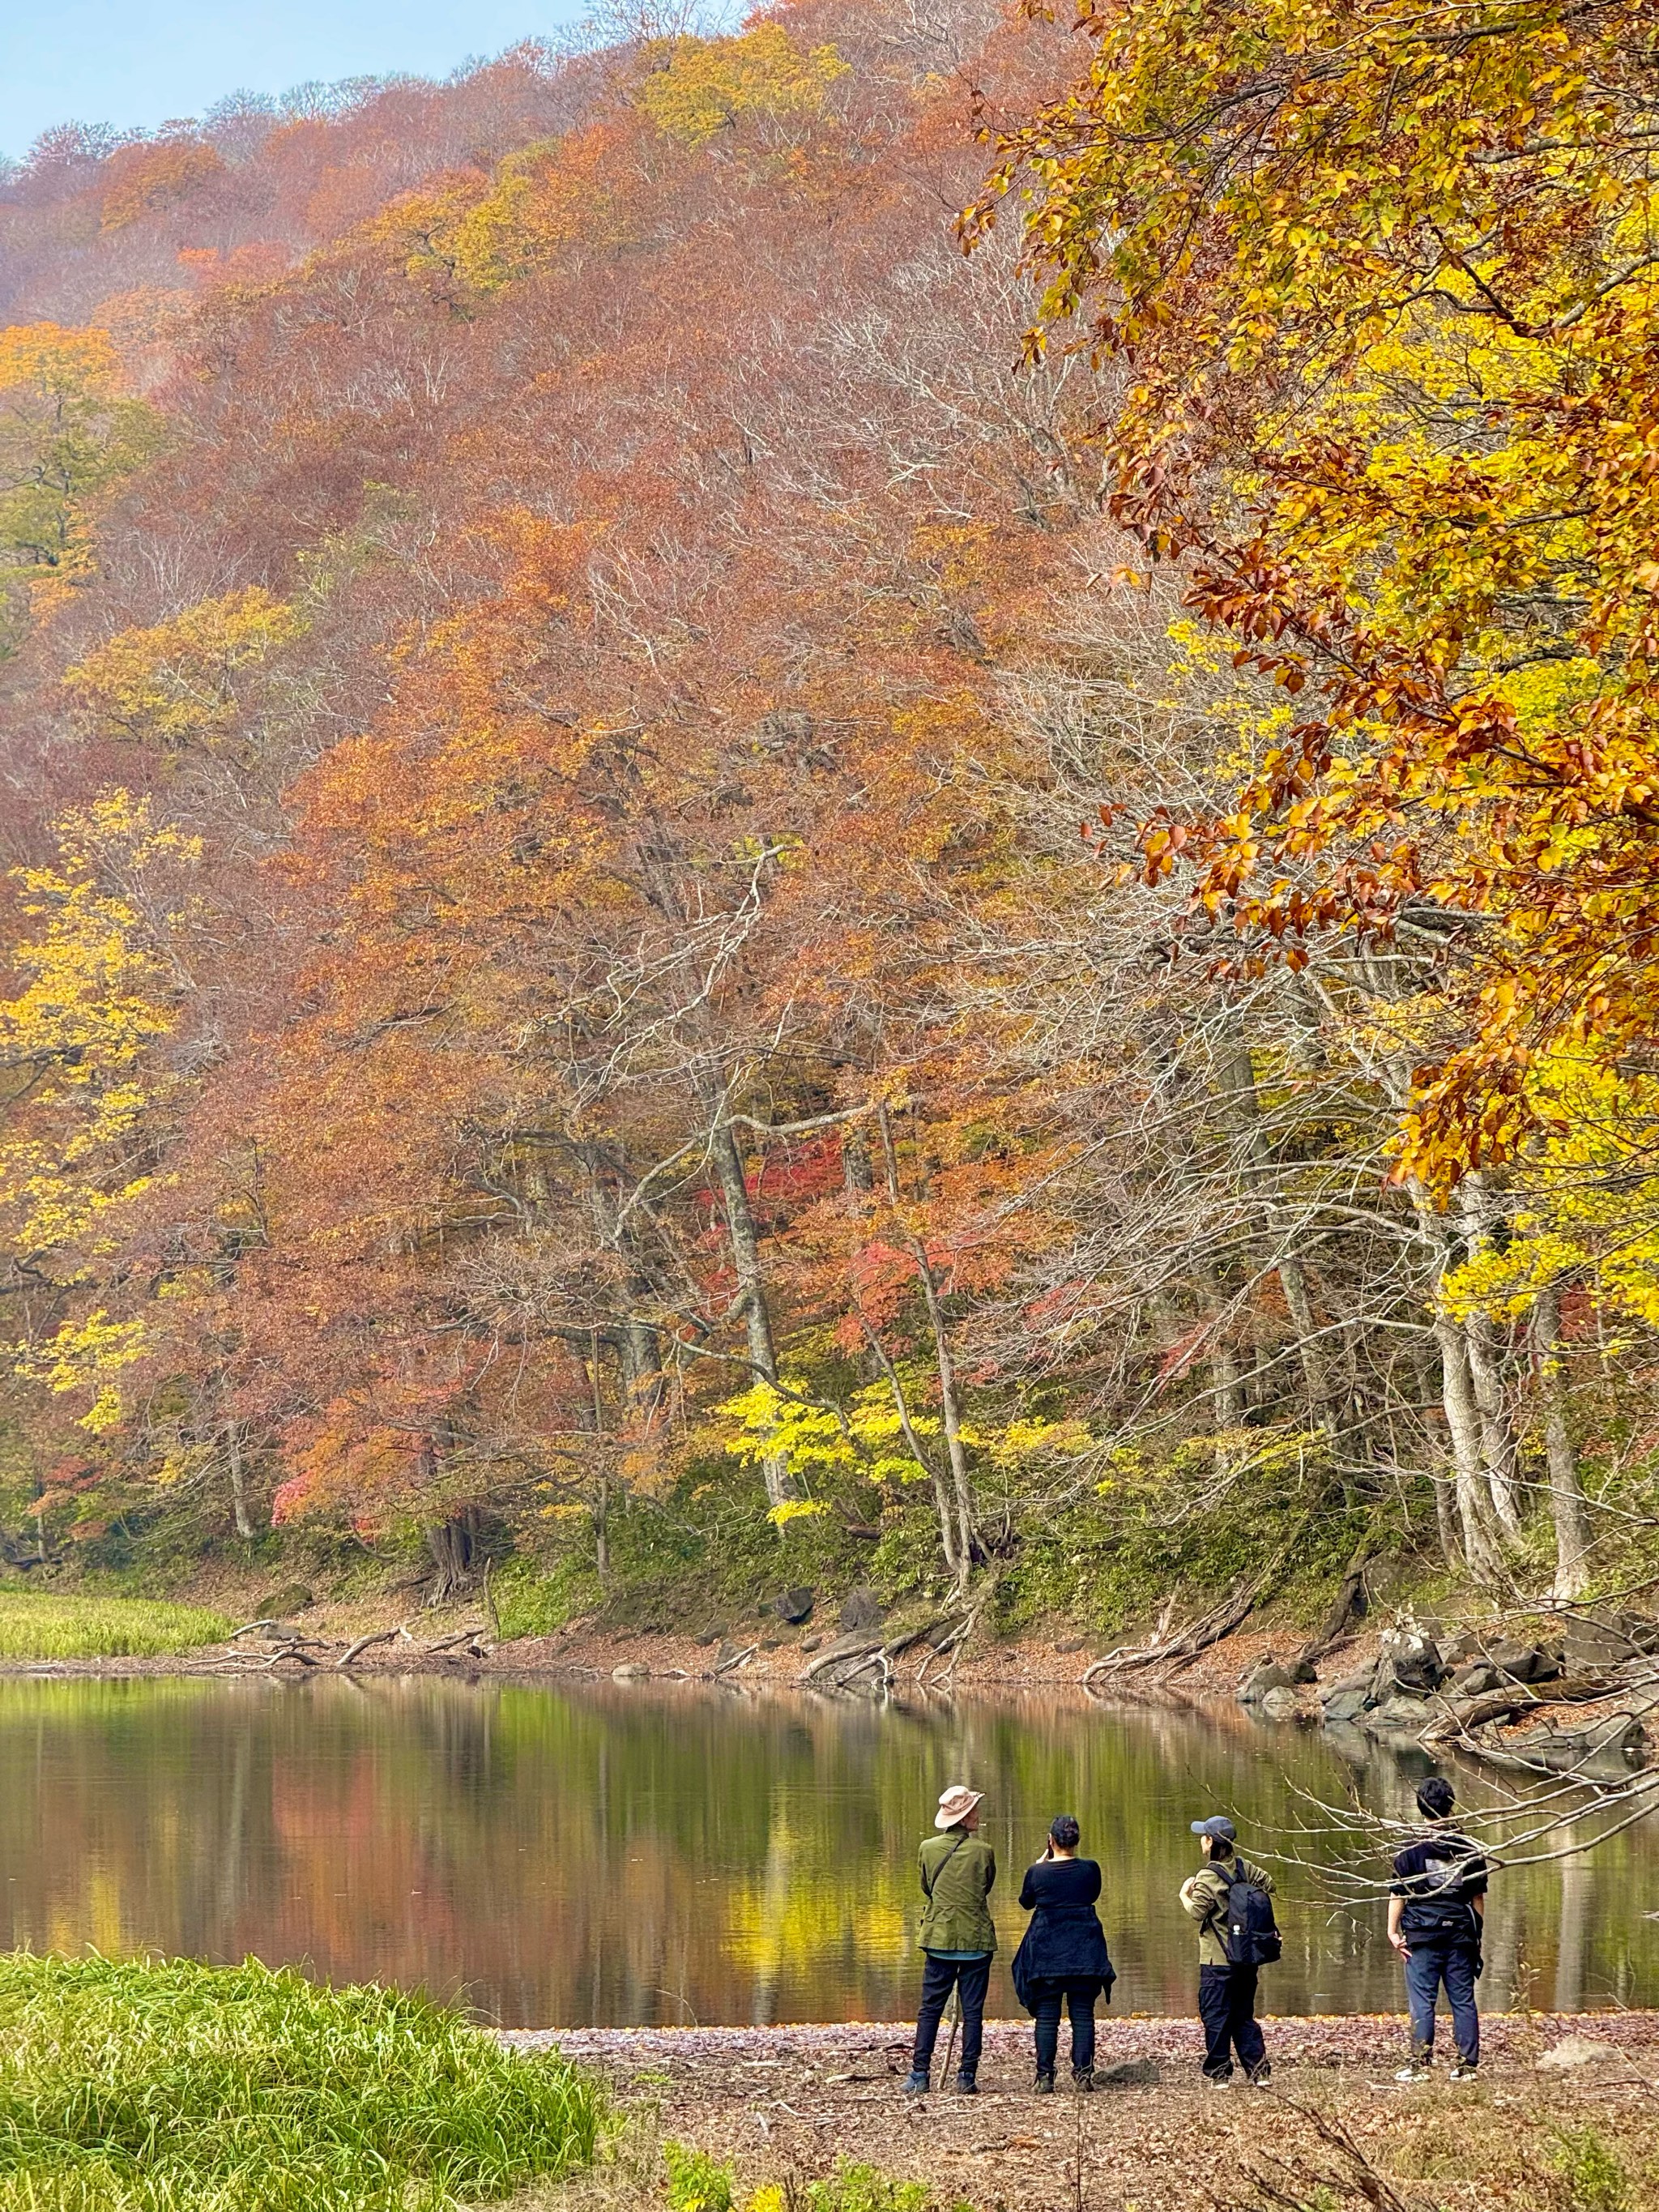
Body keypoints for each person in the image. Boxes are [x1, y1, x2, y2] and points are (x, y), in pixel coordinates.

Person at [1388, 1775, 1487, 2082]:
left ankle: (1419, 2064)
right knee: (1462, 1998)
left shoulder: (1409, 1850)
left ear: (1420, 1806)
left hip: (1422, 1935)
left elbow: (1398, 1894)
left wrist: (1393, 1932)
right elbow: (1477, 1898)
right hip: (1460, 1933)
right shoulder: (1469, 1848)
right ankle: (1467, 2065)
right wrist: (1476, 1934)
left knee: (1422, 2000)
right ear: (1451, 1805)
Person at [1011, 1813, 1115, 2093]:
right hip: (1084, 1951)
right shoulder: (1090, 1869)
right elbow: (1091, 1895)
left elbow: (1025, 1902)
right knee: (1082, 2015)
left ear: (1051, 1841)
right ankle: (1083, 2075)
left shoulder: (1038, 1873)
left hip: (1047, 1954)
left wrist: (1038, 1865)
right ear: (1076, 1842)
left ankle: (1045, 2077)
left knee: (1047, 2017)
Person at [904, 1783, 996, 2097]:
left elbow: (926, 1887)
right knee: (973, 2011)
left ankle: (919, 2074)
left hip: (939, 1937)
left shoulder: (928, 1849)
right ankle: (966, 2076)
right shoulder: (984, 1852)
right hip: (976, 1940)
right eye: (975, 1811)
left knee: (930, 2008)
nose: (979, 1815)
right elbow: (985, 1887)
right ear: (966, 1817)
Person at [1179, 1814, 1273, 2085]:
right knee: (1244, 2016)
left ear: (1210, 1842)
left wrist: (1184, 1894)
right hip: (1246, 1958)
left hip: (1216, 1960)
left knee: (1216, 2016)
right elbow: (1269, 1886)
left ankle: (1220, 2075)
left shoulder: (1207, 1876)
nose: (1201, 1840)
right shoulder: (1247, 1868)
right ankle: (1258, 2073)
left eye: (1203, 1836)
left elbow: (1197, 1912)